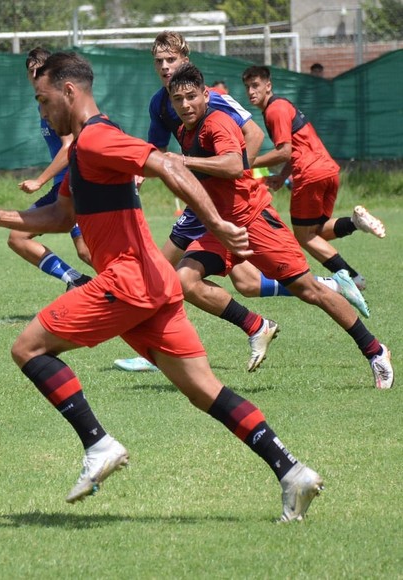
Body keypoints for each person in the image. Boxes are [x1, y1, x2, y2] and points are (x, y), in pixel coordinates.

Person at [0, 51, 325, 521]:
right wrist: (1, 218)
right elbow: (62, 215)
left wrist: (216, 223)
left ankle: (98, 444)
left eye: (43, 100)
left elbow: (167, 165)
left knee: (28, 348)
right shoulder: (84, 146)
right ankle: (292, 472)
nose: (42, 112)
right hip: (153, 283)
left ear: (68, 91)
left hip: (127, 281)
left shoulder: (97, 138)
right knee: (204, 391)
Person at [114, 31, 365, 374]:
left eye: (171, 59)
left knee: (160, 272)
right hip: (206, 200)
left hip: (222, 202)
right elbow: (157, 149)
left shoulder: (211, 100)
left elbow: (254, 135)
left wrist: (232, 174)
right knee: (244, 283)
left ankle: (162, 351)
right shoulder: (161, 103)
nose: (165, 66)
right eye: (159, 61)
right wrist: (139, 174)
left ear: (186, 60)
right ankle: (328, 286)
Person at [167, 63, 393, 390]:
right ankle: (256, 326)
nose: (185, 104)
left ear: (205, 94)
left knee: (309, 291)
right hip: (222, 229)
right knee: (184, 280)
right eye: (178, 99)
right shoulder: (184, 131)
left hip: (255, 222)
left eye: (191, 96)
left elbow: (234, 165)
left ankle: (375, 351)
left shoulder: (217, 123)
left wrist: (183, 161)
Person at [242, 65, 386, 291]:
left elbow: (284, 152)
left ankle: (353, 278)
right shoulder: (282, 106)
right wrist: (282, 176)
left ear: (268, 85)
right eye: (247, 87)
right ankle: (354, 223)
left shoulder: (274, 110)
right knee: (316, 232)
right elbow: (295, 147)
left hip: (310, 174)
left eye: (256, 85)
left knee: (304, 236)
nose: (251, 91)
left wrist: (248, 162)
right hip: (328, 171)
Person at [11, 47, 92, 291]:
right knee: (19, 237)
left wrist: (39, 180)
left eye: (41, 70)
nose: (36, 75)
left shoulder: (59, 104)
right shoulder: (43, 105)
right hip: (64, 187)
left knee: (19, 236)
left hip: (74, 186)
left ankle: (134, 288)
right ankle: (78, 280)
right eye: (32, 71)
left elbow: (69, 146)